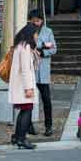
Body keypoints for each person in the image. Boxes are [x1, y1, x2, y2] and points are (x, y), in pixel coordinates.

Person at [8, 23, 40, 149]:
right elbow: (26, 69)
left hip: (19, 84)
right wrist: (28, 88)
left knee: (24, 111)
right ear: (31, 34)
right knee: (27, 111)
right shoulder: (26, 48)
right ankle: (22, 138)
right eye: (36, 34)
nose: (37, 36)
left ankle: (17, 137)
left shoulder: (20, 46)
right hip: (23, 86)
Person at [29, 9, 57, 137]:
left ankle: (48, 126)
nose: (36, 23)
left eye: (38, 20)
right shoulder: (27, 31)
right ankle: (28, 125)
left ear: (42, 20)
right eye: (33, 20)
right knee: (28, 100)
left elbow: (54, 48)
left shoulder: (48, 31)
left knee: (46, 99)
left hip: (44, 69)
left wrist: (43, 52)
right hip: (30, 70)